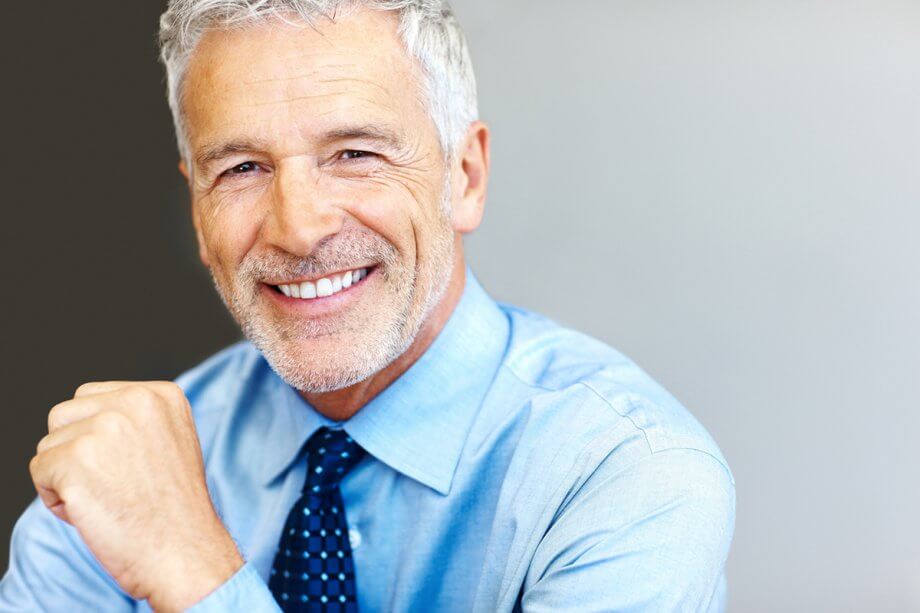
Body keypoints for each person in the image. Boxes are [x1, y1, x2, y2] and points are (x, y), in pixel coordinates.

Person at [0, 1, 735, 611]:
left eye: (356, 153)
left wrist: (192, 570)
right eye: (243, 168)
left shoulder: (624, 477)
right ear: (197, 213)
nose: (300, 226)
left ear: (466, 177)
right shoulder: (115, 483)